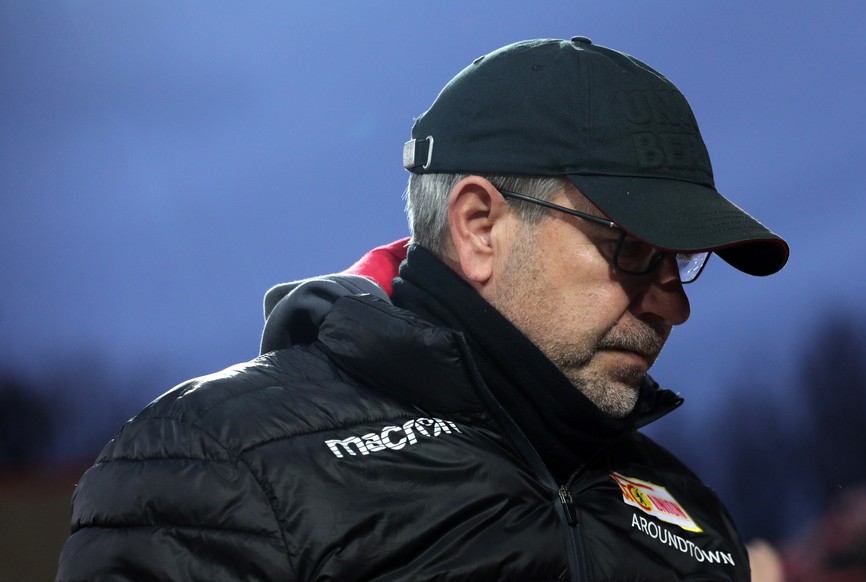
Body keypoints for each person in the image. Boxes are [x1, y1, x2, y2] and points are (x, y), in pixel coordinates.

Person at [56, 37, 789, 581]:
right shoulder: (216, 466)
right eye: (631, 248)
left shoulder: (690, 516)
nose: (671, 308)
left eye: (678, 263)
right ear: (478, 227)